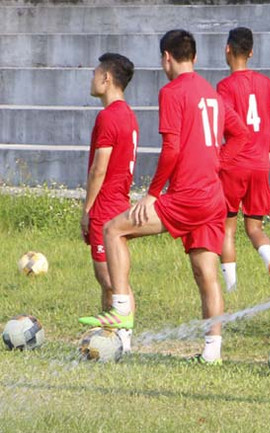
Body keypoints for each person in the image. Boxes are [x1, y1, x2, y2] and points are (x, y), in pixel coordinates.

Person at [79, 29, 249, 364]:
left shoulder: (171, 92)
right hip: (212, 198)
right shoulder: (212, 93)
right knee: (205, 273)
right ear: (195, 58)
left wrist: (153, 194)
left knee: (114, 229)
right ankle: (212, 350)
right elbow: (241, 135)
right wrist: (217, 164)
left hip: (187, 197)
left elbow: (171, 148)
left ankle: (121, 311)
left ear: (166, 58)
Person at [217, 27, 270, 293]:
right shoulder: (265, 83)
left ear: (227, 49)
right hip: (260, 165)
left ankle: (232, 288)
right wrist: (268, 148)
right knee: (255, 227)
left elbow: (223, 124)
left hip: (233, 164)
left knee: (227, 229)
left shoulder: (224, 87)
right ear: (251, 52)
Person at [81, 53, 139, 353]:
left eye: (94, 73)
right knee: (113, 276)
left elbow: (99, 169)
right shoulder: (127, 113)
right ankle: (113, 335)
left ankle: (121, 340)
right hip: (121, 202)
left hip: (106, 205)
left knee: (109, 277)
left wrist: (87, 209)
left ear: (106, 79)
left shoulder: (108, 116)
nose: (91, 78)